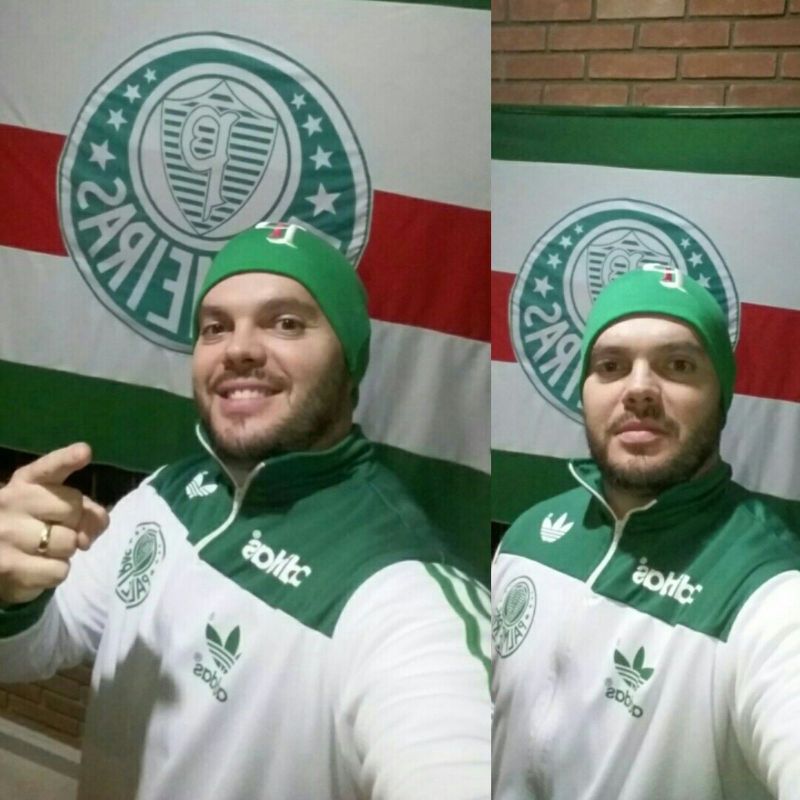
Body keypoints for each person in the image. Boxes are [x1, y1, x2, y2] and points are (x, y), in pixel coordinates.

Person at [0, 221, 490, 800]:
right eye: (216, 327)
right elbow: (36, 650)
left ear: (349, 364)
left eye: (286, 323)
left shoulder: (405, 592)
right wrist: (12, 597)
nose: (239, 349)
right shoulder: (167, 493)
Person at [492, 266, 800, 800]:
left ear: (721, 396)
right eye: (611, 366)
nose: (638, 390)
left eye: (678, 365)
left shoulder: (768, 592)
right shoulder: (528, 536)